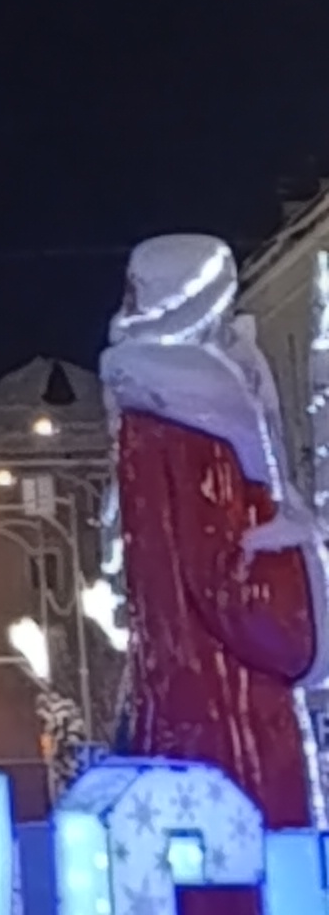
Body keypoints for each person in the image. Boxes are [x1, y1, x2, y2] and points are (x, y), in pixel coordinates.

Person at [103, 233, 325, 830]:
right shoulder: (204, 417)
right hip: (233, 701)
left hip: (178, 687)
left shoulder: (145, 414)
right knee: (249, 843)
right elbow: (232, 580)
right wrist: (295, 552)